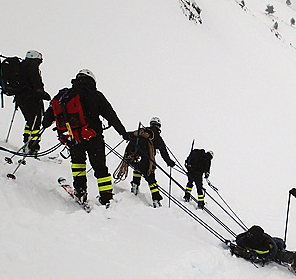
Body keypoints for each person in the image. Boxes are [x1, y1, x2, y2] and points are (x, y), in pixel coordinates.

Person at [43, 69, 129, 206]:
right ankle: (106, 198)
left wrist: (45, 124)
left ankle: (80, 192)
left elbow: (48, 117)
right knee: (100, 169)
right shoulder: (95, 95)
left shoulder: (64, 95)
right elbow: (111, 115)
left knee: (78, 165)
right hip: (93, 137)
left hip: (73, 139)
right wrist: (123, 133)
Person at [128, 117, 176, 208]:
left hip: (135, 157)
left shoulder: (143, 132)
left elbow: (130, 135)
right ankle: (156, 200)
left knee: (137, 169)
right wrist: (170, 162)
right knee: (151, 180)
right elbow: (163, 152)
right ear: (159, 126)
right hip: (146, 161)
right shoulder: (156, 136)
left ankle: (134, 185)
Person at [14, 50, 51, 155]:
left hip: (20, 98)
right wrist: (41, 92)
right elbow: (35, 81)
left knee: (29, 121)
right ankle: (33, 146)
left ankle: (26, 141)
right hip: (31, 98)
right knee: (36, 122)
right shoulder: (32, 65)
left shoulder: (21, 66)